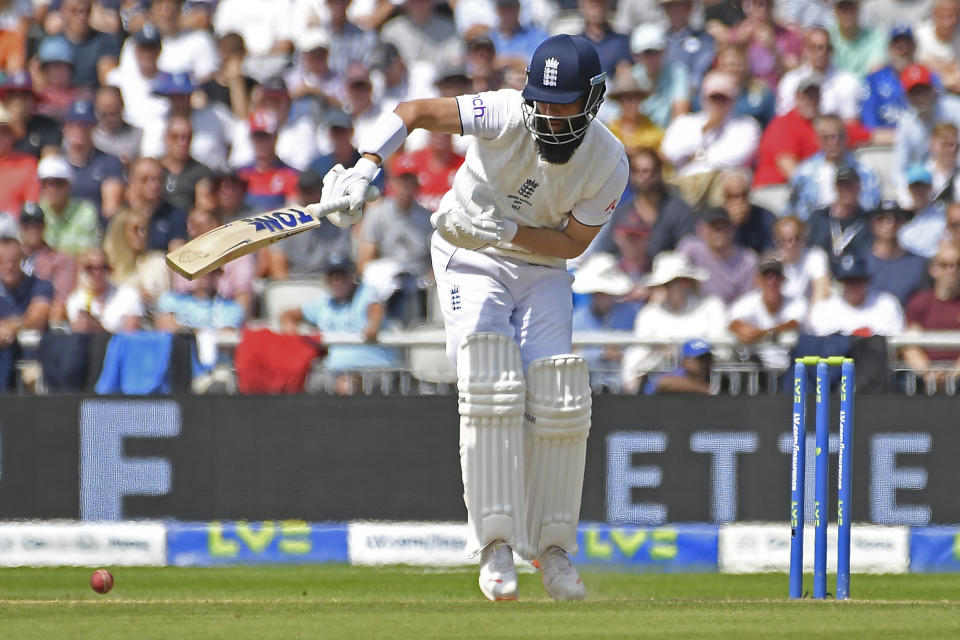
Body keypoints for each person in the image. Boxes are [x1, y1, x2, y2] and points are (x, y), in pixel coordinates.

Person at [314, 34, 628, 602]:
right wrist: (364, 168)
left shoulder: (608, 161)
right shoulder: (504, 110)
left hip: (540, 265)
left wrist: (506, 231)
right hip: (467, 256)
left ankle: (552, 550)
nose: (553, 119)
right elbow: (412, 114)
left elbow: (572, 243)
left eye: (566, 106)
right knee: (490, 386)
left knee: (558, 399)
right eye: (545, 104)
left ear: (594, 99)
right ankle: (495, 545)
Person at [279, 253, 397, 394]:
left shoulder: (366, 293)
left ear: (352, 276)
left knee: (347, 385)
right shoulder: (324, 304)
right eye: (332, 276)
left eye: (342, 275)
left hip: (373, 370)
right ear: (326, 280)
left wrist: (372, 326)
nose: (337, 280)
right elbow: (289, 315)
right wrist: (291, 329)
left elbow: (375, 309)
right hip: (333, 372)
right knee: (299, 379)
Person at [621, 251, 728, 390]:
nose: (675, 288)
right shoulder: (649, 314)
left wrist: (693, 357)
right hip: (662, 391)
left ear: (688, 282)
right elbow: (636, 358)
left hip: (707, 381)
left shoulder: (712, 307)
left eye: (680, 281)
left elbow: (723, 352)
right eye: (667, 284)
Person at [660, 70, 760, 204]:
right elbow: (670, 152)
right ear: (704, 98)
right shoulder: (685, 122)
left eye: (723, 98)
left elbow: (737, 157)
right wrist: (704, 131)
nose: (718, 103)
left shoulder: (746, 125)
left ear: (733, 100)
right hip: (686, 182)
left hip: (722, 183)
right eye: (714, 98)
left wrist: (697, 157)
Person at [357, 155, 433, 323]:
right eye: (401, 180)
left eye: (410, 180)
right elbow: (364, 261)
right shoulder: (377, 213)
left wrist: (430, 281)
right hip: (387, 278)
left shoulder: (428, 218)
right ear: (391, 183)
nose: (405, 186)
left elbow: (436, 260)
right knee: (373, 277)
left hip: (419, 280)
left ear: (416, 184)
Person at [789, 113, 881, 221]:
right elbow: (794, 211)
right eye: (827, 137)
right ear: (817, 140)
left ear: (846, 137)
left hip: (856, 226)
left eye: (839, 136)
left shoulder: (865, 172)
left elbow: (871, 208)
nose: (834, 142)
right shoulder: (804, 173)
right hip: (816, 229)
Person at [570, 252, 640, 392]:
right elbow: (572, 354)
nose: (603, 296)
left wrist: (622, 355)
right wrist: (602, 353)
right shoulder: (578, 318)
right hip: (584, 388)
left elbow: (638, 350)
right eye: (598, 292)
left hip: (626, 388)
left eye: (606, 292)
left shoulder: (630, 313)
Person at [729, 254, 807, 370]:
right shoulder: (748, 302)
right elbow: (732, 322)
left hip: (789, 368)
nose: (772, 281)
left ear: (783, 280)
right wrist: (743, 331)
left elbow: (794, 323)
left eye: (776, 276)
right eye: (766, 276)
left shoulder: (796, 303)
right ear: (758, 280)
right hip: (758, 370)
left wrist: (762, 334)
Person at [902, 242, 960, 388]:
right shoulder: (919, 302)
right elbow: (910, 346)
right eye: (944, 264)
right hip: (924, 377)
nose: (951, 270)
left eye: (957, 264)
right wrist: (929, 373)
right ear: (933, 269)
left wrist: (952, 376)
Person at [806, 253, 905, 336]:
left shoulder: (887, 304)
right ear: (841, 282)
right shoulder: (824, 309)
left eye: (859, 280)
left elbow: (895, 346)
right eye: (849, 281)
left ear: (867, 281)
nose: (854, 286)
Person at [0, 236, 52, 390]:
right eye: (2, 261)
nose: (9, 266)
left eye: (14, 260)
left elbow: (37, 318)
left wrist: (12, 326)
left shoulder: (40, 285)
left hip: (30, 355)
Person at [776, 27, 861, 122]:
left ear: (830, 50)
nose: (818, 53)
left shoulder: (847, 82)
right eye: (813, 47)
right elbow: (784, 120)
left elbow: (851, 122)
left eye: (822, 48)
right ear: (805, 50)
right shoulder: (790, 81)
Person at [677, 206, 759, 304]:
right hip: (694, 310)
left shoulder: (748, 261)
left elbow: (748, 302)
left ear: (733, 229)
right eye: (714, 226)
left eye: (724, 226)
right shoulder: (690, 250)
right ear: (702, 230)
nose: (720, 231)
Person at [17, 202, 77, 325]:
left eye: (37, 224)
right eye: (27, 225)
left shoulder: (60, 259)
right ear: (20, 227)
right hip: (12, 311)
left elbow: (61, 296)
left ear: (44, 226)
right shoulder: (10, 258)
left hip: (44, 317)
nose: (32, 229)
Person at [860, 25, 923, 141]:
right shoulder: (873, 80)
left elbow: (936, 122)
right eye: (897, 44)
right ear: (889, 48)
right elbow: (869, 126)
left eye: (907, 43)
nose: (902, 48)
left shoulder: (929, 78)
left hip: (919, 145)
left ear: (915, 47)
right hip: (882, 147)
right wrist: (899, 138)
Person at [863, 200, 928, 306]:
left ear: (903, 222)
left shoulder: (919, 263)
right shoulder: (860, 262)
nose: (890, 223)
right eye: (881, 218)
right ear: (871, 223)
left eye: (896, 218)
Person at [65, 247, 143, 334]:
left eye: (103, 267)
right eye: (90, 268)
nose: (97, 273)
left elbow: (130, 338)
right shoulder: (75, 300)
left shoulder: (128, 296)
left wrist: (99, 330)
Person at [807, 165, 873, 264]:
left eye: (851, 186)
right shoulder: (819, 217)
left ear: (859, 187)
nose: (846, 190)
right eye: (841, 185)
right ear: (835, 187)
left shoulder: (868, 221)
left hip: (856, 275)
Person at [629, 22, 690, 129]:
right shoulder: (631, 77)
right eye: (646, 53)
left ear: (664, 51)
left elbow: (680, 113)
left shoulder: (678, 73)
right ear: (636, 55)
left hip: (669, 136)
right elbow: (627, 118)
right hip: (639, 138)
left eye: (655, 52)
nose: (651, 58)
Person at [36, 155, 100, 255]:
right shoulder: (37, 211)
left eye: (59, 183)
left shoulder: (85, 212)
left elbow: (85, 253)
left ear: (69, 185)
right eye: (45, 183)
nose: (52, 189)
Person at [773, 215, 832, 304]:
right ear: (776, 242)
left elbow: (821, 291)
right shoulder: (772, 263)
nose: (790, 245)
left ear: (804, 238)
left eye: (796, 238)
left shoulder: (815, 257)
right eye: (784, 240)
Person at [825, 0, 886, 78]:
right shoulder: (826, 36)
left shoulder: (875, 36)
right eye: (842, 8)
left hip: (865, 86)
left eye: (851, 8)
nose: (847, 13)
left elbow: (876, 68)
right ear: (835, 11)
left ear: (858, 9)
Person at [721, 168, 776, 252]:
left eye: (744, 195)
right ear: (724, 198)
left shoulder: (765, 217)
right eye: (732, 196)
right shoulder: (715, 221)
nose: (739, 202)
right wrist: (731, 226)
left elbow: (772, 252)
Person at [899, 164, 947, 258]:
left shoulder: (942, 216)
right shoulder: (900, 217)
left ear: (930, 187)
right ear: (909, 189)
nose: (918, 190)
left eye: (923, 186)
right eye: (915, 186)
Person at [642, 338, 714, 394]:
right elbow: (665, 383)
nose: (705, 363)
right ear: (686, 361)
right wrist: (704, 389)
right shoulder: (675, 374)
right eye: (700, 359)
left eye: (707, 359)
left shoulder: (715, 379)